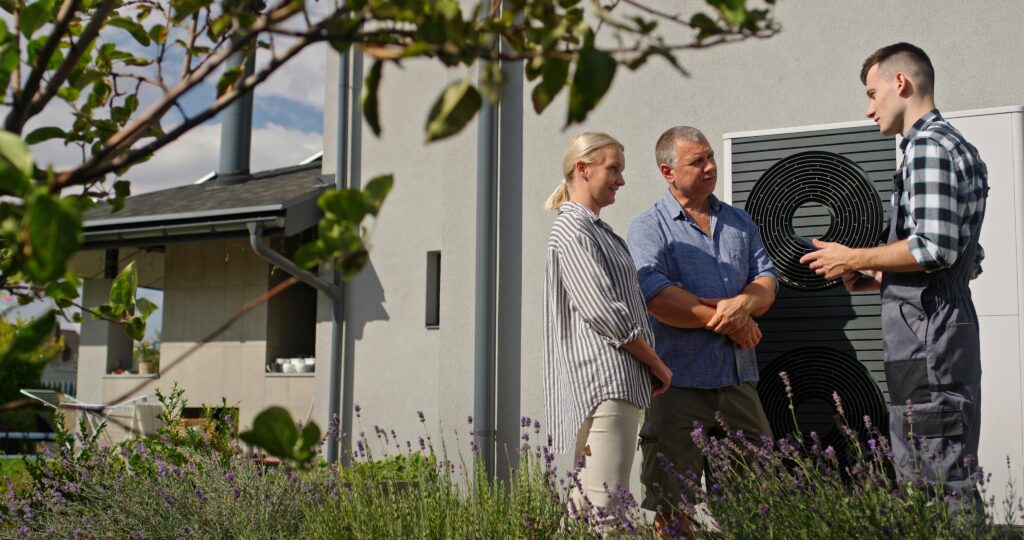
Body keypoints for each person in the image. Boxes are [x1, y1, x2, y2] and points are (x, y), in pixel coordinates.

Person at [800, 43, 987, 510]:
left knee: (934, 479)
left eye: (872, 93)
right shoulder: (956, 146)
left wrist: (852, 257)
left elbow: (935, 247)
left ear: (900, 83)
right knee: (942, 465)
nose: (869, 109)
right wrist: (879, 278)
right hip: (940, 332)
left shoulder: (926, 148)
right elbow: (965, 261)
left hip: (927, 341)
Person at [627, 126, 778, 536]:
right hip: (677, 386)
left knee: (758, 497)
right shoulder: (649, 228)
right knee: (673, 506)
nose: (711, 166)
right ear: (668, 172)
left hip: (737, 383)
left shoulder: (739, 222)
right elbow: (657, 297)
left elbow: (766, 282)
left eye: (711, 156)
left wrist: (743, 306)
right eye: (698, 161)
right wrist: (733, 321)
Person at [542, 132, 674, 523]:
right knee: (606, 511)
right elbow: (604, 312)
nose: (621, 179)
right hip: (606, 383)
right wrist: (656, 363)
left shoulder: (593, 229)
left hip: (611, 382)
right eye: (613, 169)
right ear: (582, 169)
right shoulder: (573, 228)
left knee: (583, 514)